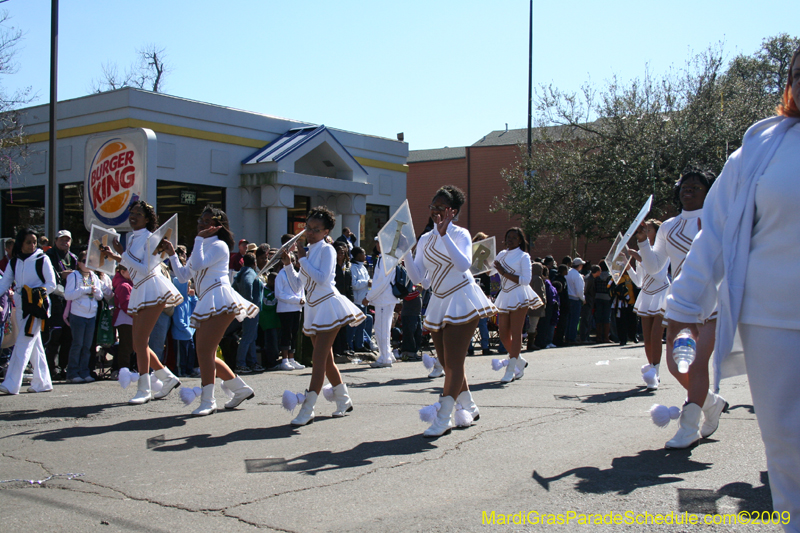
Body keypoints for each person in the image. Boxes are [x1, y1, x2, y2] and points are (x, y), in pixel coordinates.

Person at [665, 46, 800, 532]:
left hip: (734, 312)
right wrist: (681, 302)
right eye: (798, 72)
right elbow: (716, 235)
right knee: (787, 450)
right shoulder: (763, 148)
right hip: (773, 319)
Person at [635, 167, 726, 449]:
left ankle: (688, 427)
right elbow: (654, 267)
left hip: (715, 302)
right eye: (685, 186)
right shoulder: (668, 226)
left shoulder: (720, 220)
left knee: (698, 362)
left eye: (697, 187)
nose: (689, 190)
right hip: (683, 303)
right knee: (677, 364)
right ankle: (711, 403)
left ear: (709, 191)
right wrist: (642, 241)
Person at [404, 185, 497, 437]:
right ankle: (469, 405)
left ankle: (443, 418)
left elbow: (464, 264)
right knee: (446, 362)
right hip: (439, 300)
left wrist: (445, 235)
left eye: (440, 206)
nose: (434, 210)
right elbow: (421, 280)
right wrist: (405, 255)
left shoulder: (461, 234)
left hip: (463, 297)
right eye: (432, 205)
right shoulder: (424, 239)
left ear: (452, 211)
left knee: (454, 362)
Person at [164, 206, 258, 416]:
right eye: (201, 219)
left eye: (207, 221)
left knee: (204, 351)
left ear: (218, 226)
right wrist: (172, 255)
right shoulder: (202, 244)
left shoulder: (219, 245)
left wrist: (198, 239)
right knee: (205, 351)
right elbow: (182, 276)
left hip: (220, 297)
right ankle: (240, 388)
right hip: (207, 299)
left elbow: (198, 263)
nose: (202, 223)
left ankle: (208, 400)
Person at [281, 207, 365, 426]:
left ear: (326, 230)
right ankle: (344, 399)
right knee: (326, 360)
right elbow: (298, 285)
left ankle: (308, 408)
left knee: (317, 360)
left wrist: (302, 259)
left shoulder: (327, 250)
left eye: (316, 230)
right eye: (308, 228)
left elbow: (323, 279)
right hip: (312, 307)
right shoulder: (308, 251)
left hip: (328, 305)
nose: (310, 232)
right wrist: (289, 265)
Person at [99, 201, 183, 404]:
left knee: (140, 341)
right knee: (138, 345)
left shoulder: (149, 238)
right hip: (140, 288)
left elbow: (145, 268)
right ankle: (167, 377)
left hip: (152, 288)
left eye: (138, 213)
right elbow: (132, 266)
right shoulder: (133, 238)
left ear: (147, 219)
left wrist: (123, 255)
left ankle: (144, 389)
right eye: (132, 213)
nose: (133, 216)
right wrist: (115, 256)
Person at [0, 228, 57, 395]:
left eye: (34, 242)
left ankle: (11, 383)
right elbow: (4, 284)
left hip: (36, 308)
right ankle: (43, 382)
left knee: (23, 342)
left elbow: (51, 284)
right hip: (20, 306)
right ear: (20, 243)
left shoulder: (43, 259)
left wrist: (36, 293)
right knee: (34, 345)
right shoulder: (14, 262)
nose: (32, 245)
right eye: (28, 242)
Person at [493, 227, 542, 383]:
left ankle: (511, 368)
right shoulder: (501, 254)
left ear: (520, 240)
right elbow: (489, 270)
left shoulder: (524, 256)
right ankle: (519, 361)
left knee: (516, 332)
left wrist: (503, 272)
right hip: (505, 294)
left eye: (514, 237)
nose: (510, 240)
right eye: (508, 237)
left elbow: (525, 280)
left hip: (519, 295)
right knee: (502, 333)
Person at [627, 220, 669, 390]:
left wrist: (639, 257)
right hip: (646, 295)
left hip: (661, 293)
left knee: (656, 334)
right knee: (647, 337)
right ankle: (651, 368)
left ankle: (656, 372)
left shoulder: (663, 251)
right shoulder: (642, 251)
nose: (647, 233)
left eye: (650, 230)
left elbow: (658, 275)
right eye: (646, 230)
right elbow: (639, 281)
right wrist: (627, 264)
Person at [63, 251, 103, 384]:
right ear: (79, 263)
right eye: (85, 260)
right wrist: (85, 290)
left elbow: (100, 296)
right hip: (78, 314)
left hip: (91, 314)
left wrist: (96, 292)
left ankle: (84, 371)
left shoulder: (94, 276)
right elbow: (68, 295)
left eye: (90, 261)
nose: (88, 264)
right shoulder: (73, 276)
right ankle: (72, 372)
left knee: (87, 346)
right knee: (77, 344)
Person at [45, 229, 77, 380]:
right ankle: (51, 368)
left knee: (68, 337)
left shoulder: (74, 258)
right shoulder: (48, 257)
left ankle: (64, 367)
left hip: (70, 303)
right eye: (62, 239)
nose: (65, 242)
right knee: (54, 337)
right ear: (55, 241)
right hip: (55, 302)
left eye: (68, 240)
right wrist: (61, 275)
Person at [366, 239, 400, 368]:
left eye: (379, 242)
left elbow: (381, 283)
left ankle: (385, 357)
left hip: (384, 298)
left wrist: (368, 297)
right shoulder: (385, 258)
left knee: (381, 328)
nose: (377, 245)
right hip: (385, 298)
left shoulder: (386, 259)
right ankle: (387, 354)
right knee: (383, 328)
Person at [274, 247, 305, 371]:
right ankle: (285, 359)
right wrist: (296, 300)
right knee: (286, 334)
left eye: (293, 260)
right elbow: (279, 294)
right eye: (289, 260)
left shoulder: (297, 274)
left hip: (297, 309)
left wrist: (302, 300)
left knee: (294, 333)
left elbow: (301, 290)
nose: (291, 262)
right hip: (285, 309)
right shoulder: (280, 276)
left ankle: (292, 358)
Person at [233, 252, 263, 373]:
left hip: (247, 310)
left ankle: (252, 362)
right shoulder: (249, 273)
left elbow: (234, 288)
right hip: (251, 310)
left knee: (251, 337)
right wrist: (248, 302)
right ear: (254, 263)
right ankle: (240, 364)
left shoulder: (241, 272)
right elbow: (247, 283)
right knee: (247, 337)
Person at [111, 265, 133, 379]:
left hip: (129, 319)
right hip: (125, 319)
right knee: (126, 346)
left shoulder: (128, 283)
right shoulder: (123, 285)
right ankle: (123, 369)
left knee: (128, 345)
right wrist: (136, 315)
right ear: (122, 271)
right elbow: (126, 304)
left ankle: (126, 368)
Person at [565, 258, 585, 344]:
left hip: (568, 298)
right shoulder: (577, 276)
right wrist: (583, 299)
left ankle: (567, 336)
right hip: (575, 299)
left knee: (568, 319)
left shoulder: (568, 272)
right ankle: (572, 338)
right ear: (579, 266)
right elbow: (579, 291)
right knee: (574, 320)